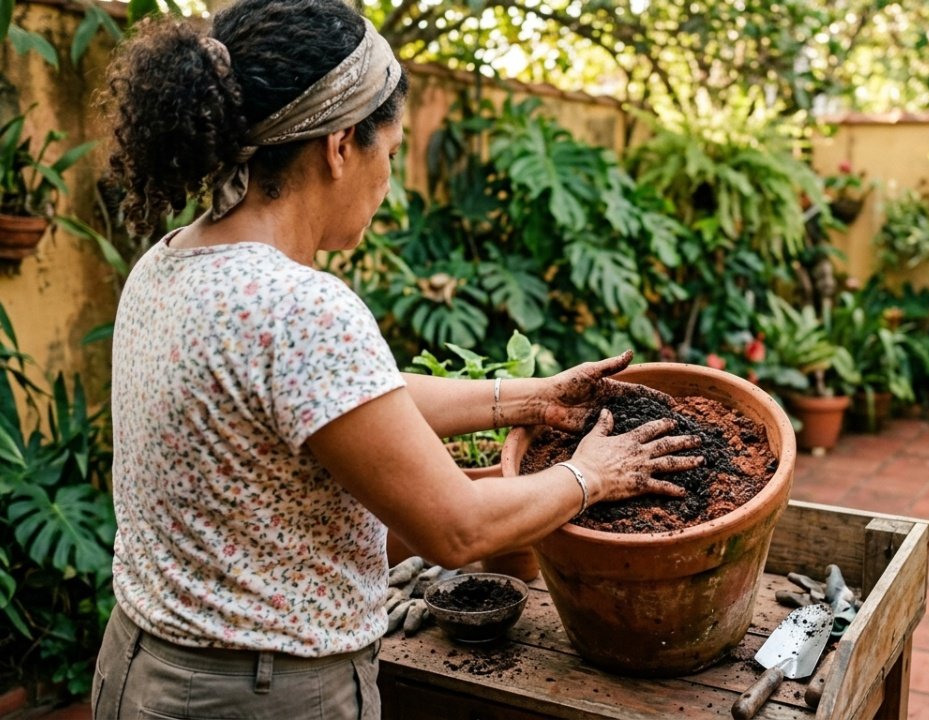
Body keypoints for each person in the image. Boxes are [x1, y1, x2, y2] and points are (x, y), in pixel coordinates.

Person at [93, 1, 702, 718]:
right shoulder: (300, 307)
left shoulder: (172, 262)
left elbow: (341, 400)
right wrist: (592, 476)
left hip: (139, 671)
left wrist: (531, 399)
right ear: (342, 144)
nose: (390, 180)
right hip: (264, 695)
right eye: (391, 150)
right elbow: (456, 529)